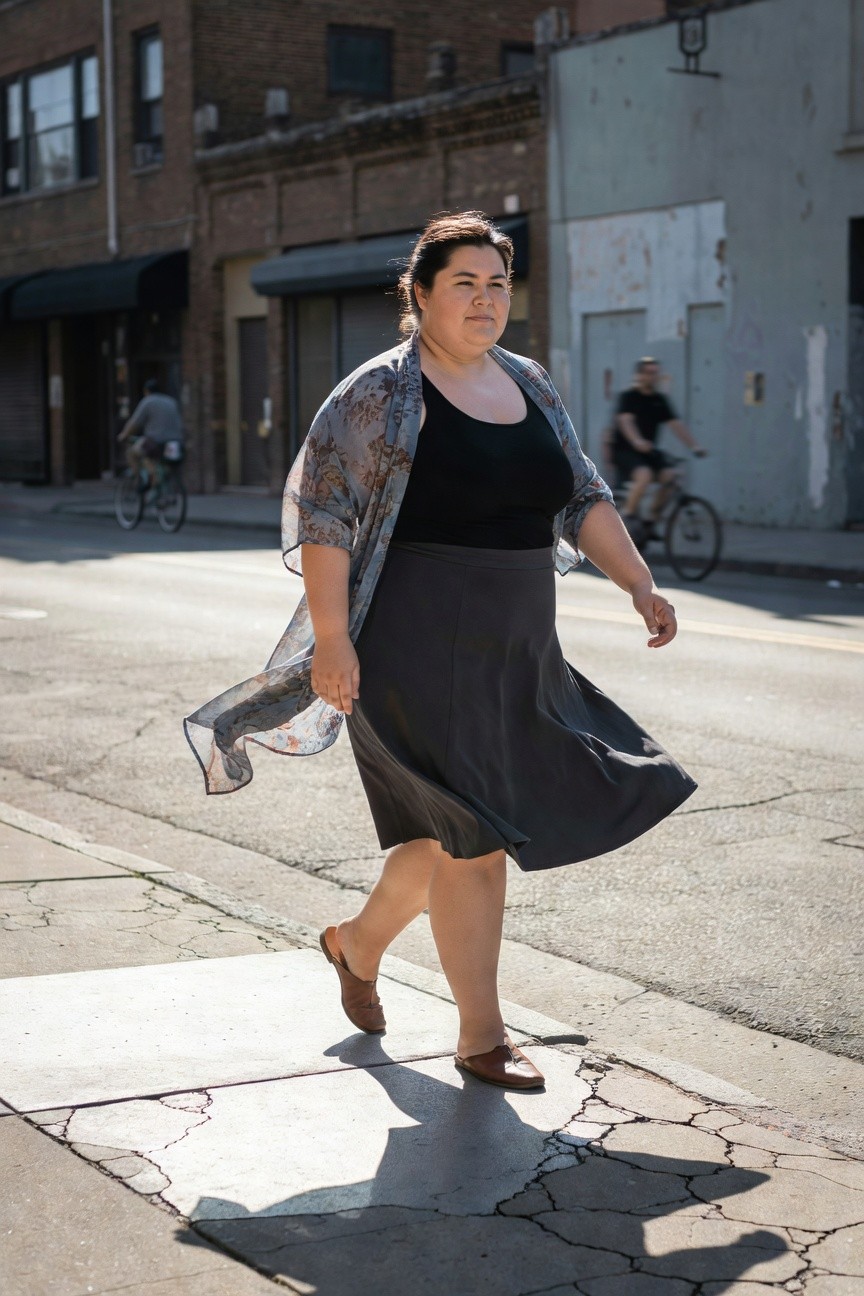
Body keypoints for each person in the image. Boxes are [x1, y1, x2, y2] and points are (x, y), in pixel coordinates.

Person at [184, 211, 697, 1092]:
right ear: (418, 295)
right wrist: (334, 641)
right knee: (474, 834)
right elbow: (325, 519)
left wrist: (640, 583)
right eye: (465, 282)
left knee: (441, 833)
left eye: (498, 283)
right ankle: (481, 1036)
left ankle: (356, 945)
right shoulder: (379, 394)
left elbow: (581, 494)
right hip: (415, 644)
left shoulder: (529, 381)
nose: (486, 299)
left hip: (516, 649)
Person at [612, 358, 706, 534]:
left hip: (648, 451)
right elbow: (626, 421)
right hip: (625, 450)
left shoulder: (659, 400)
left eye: (655, 372)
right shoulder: (629, 397)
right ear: (639, 375)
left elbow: (676, 425)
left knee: (670, 477)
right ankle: (627, 518)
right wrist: (636, 441)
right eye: (647, 372)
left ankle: (650, 520)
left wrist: (695, 446)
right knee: (645, 475)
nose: (652, 376)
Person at [118, 378, 184, 474]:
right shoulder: (171, 401)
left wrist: (123, 435)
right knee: (165, 462)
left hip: (156, 445)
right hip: (175, 445)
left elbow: (134, 423)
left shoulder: (148, 401)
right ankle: (162, 478)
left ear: (146, 391)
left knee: (133, 453)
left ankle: (143, 480)